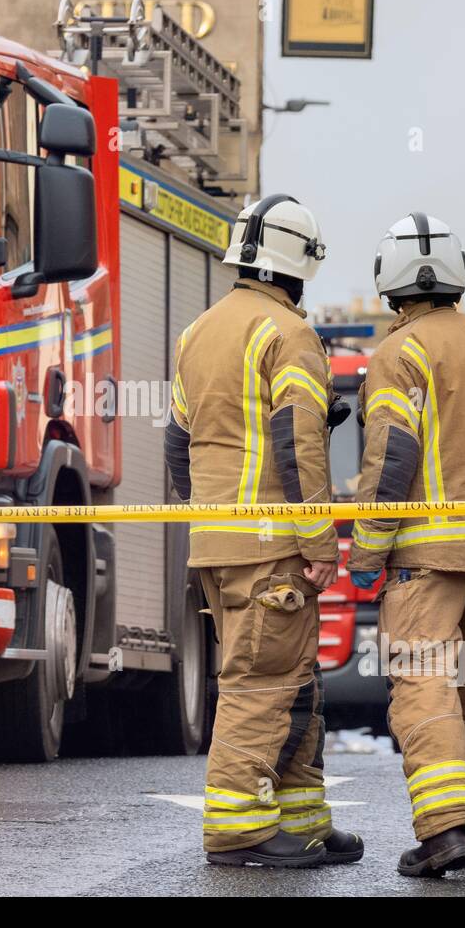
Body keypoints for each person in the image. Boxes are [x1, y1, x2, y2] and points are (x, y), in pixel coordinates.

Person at [164, 194, 361, 868]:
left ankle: (302, 818)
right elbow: (298, 442)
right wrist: (319, 541)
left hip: (218, 546)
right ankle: (240, 830)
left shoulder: (198, 334)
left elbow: (177, 444)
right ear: (295, 268)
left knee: (292, 682)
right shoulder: (290, 334)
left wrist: (213, 521)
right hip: (273, 546)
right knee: (262, 686)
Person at [347, 212, 465, 877]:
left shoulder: (399, 354)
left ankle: (443, 830)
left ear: (390, 284)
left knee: (423, 688)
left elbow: (391, 460)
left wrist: (367, 552)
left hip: (428, 560)